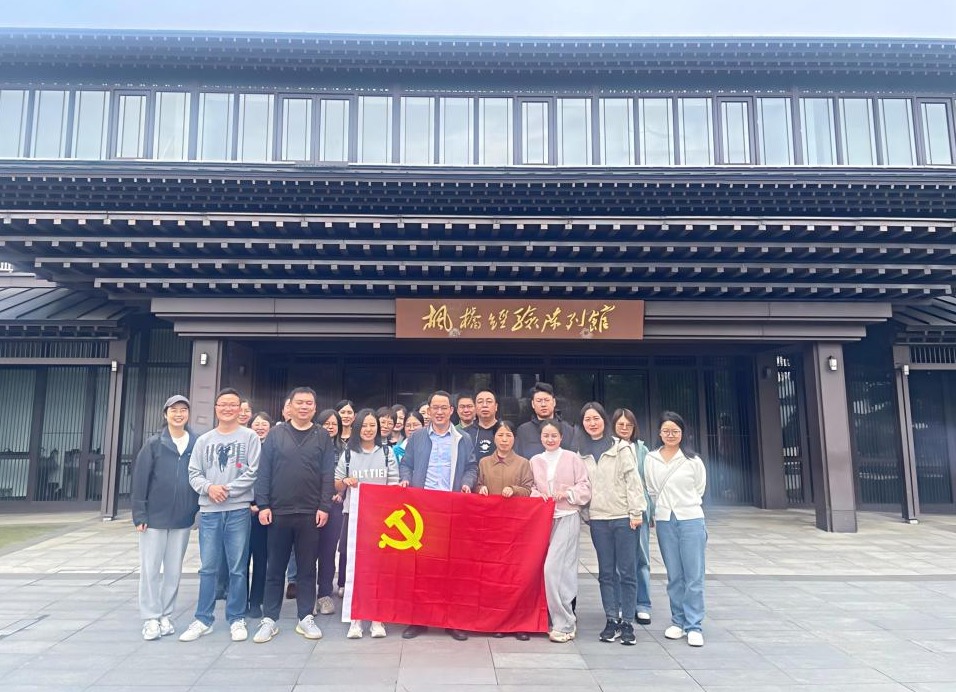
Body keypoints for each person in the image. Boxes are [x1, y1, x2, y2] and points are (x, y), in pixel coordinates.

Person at [252, 387, 335, 644]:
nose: (304, 407)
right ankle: (270, 619)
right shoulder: (276, 435)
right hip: (279, 512)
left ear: (315, 407)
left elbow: (327, 474)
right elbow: (264, 471)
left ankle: (305, 617)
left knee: (307, 569)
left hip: (310, 513)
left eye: (309, 403)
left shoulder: (322, 436)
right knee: (275, 568)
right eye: (299, 402)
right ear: (289, 406)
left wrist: (324, 507)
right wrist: (263, 504)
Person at [181, 388, 260, 643]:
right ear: (216, 408)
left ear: (240, 409)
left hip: (238, 510)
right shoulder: (204, 440)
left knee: (238, 567)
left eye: (232, 404)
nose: (227, 408)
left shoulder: (249, 437)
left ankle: (236, 618)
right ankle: (203, 619)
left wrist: (227, 490)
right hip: (209, 512)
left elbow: (253, 471)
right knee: (208, 568)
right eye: (223, 404)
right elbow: (194, 473)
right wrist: (209, 488)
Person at [399, 390, 478, 641]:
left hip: (452, 508)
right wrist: (406, 479)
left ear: (451, 411)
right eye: (436, 408)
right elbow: (406, 464)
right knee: (421, 566)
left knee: (451, 567)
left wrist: (466, 483)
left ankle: (451, 620)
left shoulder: (463, 438)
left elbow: (472, 467)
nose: (440, 412)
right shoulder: (418, 437)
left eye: (444, 408)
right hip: (422, 508)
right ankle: (419, 620)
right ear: (429, 411)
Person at [131, 394, 199, 641]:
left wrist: (194, 510)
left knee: (173, 570)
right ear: (165, 414)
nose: (179, 414)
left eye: (183, 410)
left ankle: (166, 615)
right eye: (174, 410)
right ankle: (151, 617)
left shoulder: (196, 443)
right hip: (154, 518)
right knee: (150, 568)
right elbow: (140, 480)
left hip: (182, 518)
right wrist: (139, 514)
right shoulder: (154, 444)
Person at [577, 401, 645, 646]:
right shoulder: (580, 453)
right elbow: (582, 484)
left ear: (604, 420)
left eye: (596, 418)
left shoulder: (621, 447)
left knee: (627, 571)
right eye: (587, 419)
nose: (592, 423)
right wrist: (586, 513)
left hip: (623, 517)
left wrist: (636, 512)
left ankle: (627, 622)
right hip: (599, 520)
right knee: (606, 573)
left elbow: (633, 481)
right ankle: (611, 619)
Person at [643, 411, 707, 648]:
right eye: (666, 431)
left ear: (682, 433)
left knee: (694, 575)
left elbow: (699, 489)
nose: (670, 435)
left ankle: (694, 625)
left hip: (691, 519)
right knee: (674, 575)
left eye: (675, 431)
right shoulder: (651, 459)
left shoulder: (693, 460)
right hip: (664, 519)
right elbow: (651, 488)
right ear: (659, 433)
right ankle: (678, 621)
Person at [336, 408, 400, 639]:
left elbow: (394, 484)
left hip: (381, 520)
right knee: (355, 567)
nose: (368, 429)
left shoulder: (387, 452)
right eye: (364, 425)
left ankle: (377, 618)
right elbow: (336, 482)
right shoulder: (348, 454)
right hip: (353, 517)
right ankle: (356, 618)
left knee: (379, 568)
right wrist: (345, 481)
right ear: (357, 427)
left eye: (372, 425)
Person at [528, 420, 591, 644]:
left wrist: (568, 493)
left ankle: (565, 622)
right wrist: (539, 495)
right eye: (546, 435)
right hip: (544, 520)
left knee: (554, 569)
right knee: (554, 569)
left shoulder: (572, 458)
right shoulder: (535, 461)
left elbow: (585, 487)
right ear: (540, 437)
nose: (550, 439)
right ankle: (558, 617)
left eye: (554, 435)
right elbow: (530, 487)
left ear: (561, 437)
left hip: (567, 516)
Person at [476, 420, 534, 641]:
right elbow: (476, 484)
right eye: (500, 435)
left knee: (516, 576)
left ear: (514, 439)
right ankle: (498, 622)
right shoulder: (484, 463)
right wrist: (479, 488)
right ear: (494, 438)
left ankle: (519, 623)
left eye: (508, 435)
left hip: (516, 528)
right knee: (494, 576)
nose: (504, 439)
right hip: (490, 529)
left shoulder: (523, 463)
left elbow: (529, 489)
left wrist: (514, 489)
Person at [611, 408, 653, 626]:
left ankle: (643, 604)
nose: (625, 428)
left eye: (629, 425)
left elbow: (648, 482)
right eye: (620, 425)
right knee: (620, 560)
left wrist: (650, 511)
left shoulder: (642, 450)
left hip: (640, 511)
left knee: (641, 558)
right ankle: (621, 603)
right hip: (618, 510)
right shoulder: (609, 449)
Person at [315, 409, 345, 615]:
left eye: (334, 423)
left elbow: (348, 474)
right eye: (326, 423)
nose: (330, 427)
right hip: (312, 504)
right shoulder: (312, 445)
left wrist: (340, 492)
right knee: (308, 551)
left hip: (335, 506)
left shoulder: (346, 449)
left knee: (328, 551)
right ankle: (308, 594)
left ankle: (325, 594)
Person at [247, 411, 274, 618]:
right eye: (256, 423)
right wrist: (248, 503)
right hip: (242, 510)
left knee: (261, 558)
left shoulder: (273, 449)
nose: (260, 427)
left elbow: (276, 479)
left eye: (264, 423)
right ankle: (239, 600)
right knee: (240, 560)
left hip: (264, 512)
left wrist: (262, 504)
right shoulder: (244, 447)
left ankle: (256, 600)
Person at [515, 382, 575, 459]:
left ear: (554, 402)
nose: (543, 404)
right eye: (539, 401)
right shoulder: (523, 431)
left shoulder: (568, 430)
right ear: (533, 404)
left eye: (547, 400)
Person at [468, 389, 501, 459]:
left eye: (489, 401)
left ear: (496, 406)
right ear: (475, 407)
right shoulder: (466, 434)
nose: (484, 405)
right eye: (480, 402)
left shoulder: (505, 431)